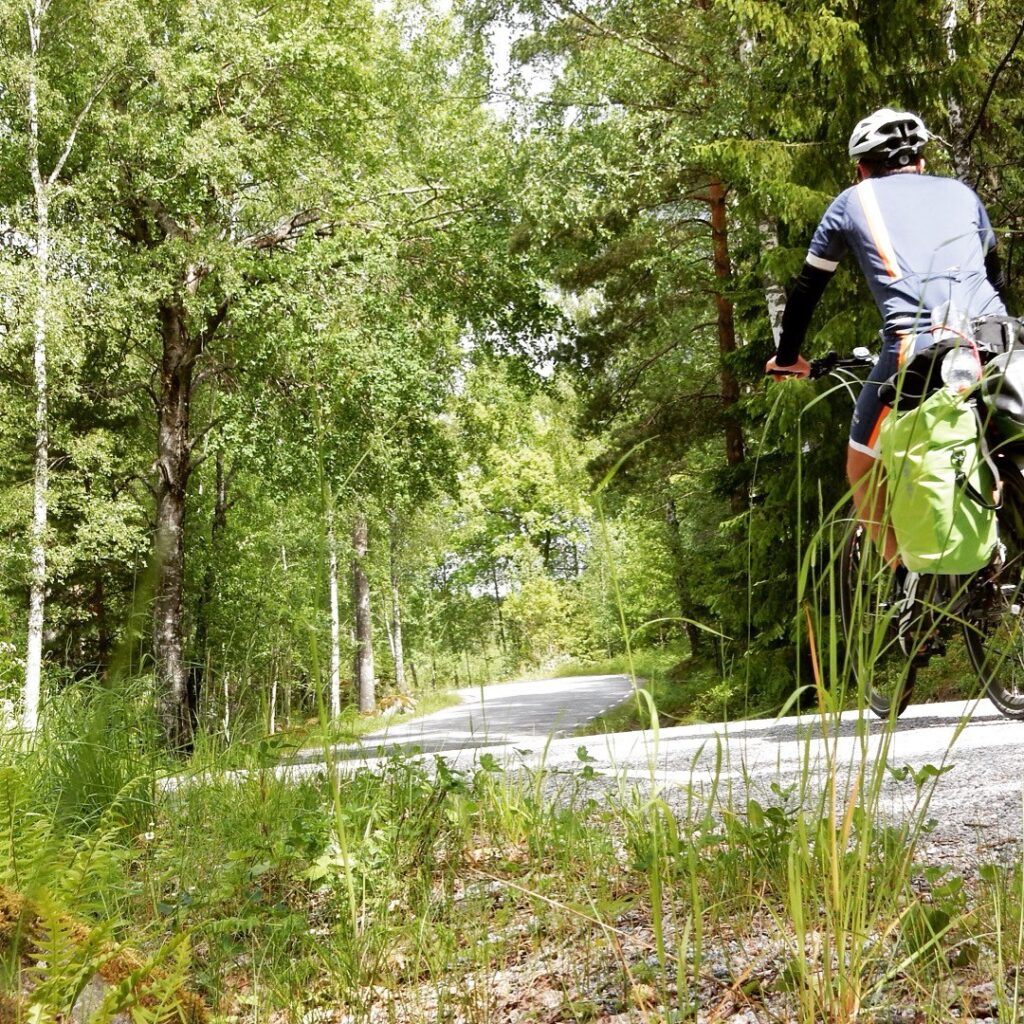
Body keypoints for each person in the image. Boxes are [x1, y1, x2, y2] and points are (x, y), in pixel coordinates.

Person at [766, 107, 1009, 564]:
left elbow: (805, 292)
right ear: (919, 161)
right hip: (1000, 339)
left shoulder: (852, 202)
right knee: (995, 438)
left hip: (919, 349)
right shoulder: (961, 192)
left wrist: (787, 357)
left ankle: (907, 579)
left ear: (862, 169)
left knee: (862, 468)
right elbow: (993, 276)